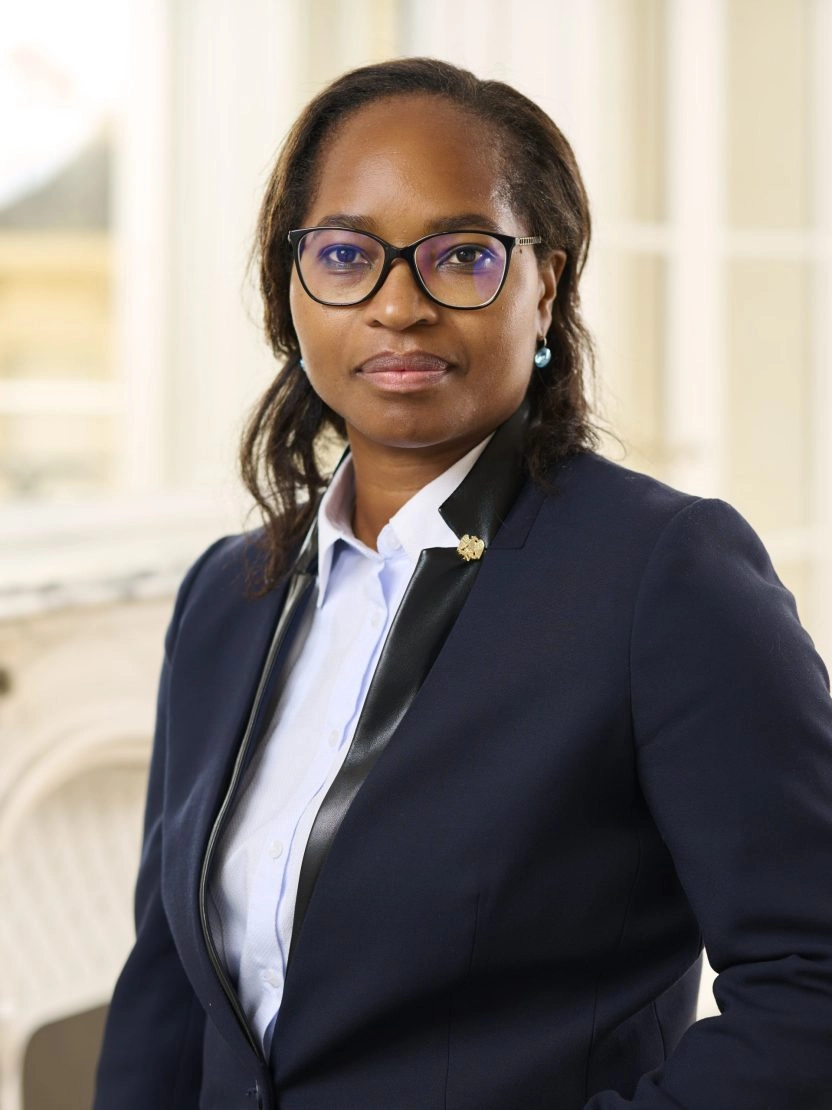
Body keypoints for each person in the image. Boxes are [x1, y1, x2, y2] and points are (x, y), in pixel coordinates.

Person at [93, 58, 832, 1110]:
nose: (399, 305)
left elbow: (810, 989)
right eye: (344, 254)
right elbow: (169, 995)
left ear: (546, 288)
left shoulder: (663, 577)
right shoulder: (228, 596)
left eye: (462, 256)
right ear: (289, 290)